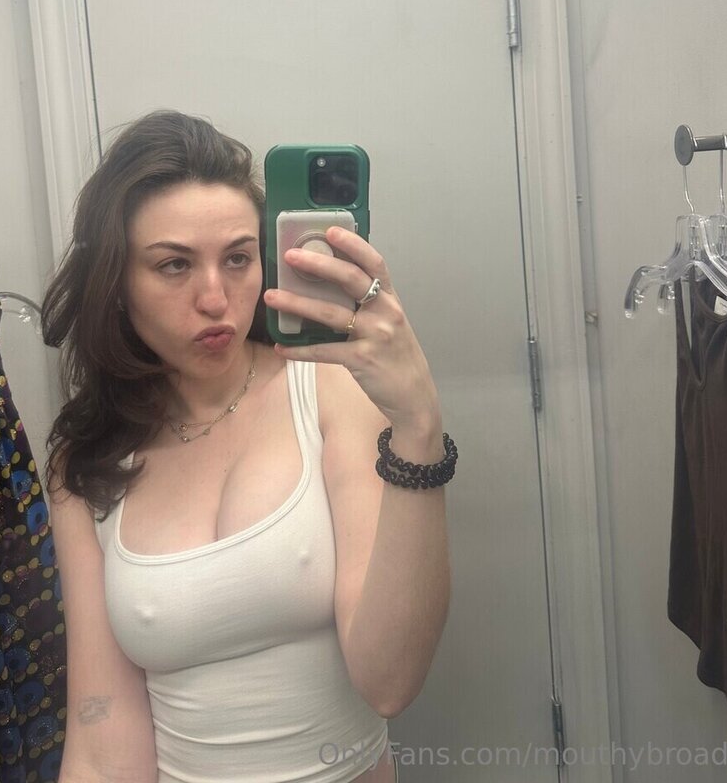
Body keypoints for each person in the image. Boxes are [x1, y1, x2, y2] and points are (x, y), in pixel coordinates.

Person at [42, 109, 456, 783]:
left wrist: (419, 427)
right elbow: (101, 734)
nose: (216, 299)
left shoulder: (327, 391)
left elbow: (389, 681)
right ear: (115, 284)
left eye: (237, 258)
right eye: (174, 265)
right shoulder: (86, 463)